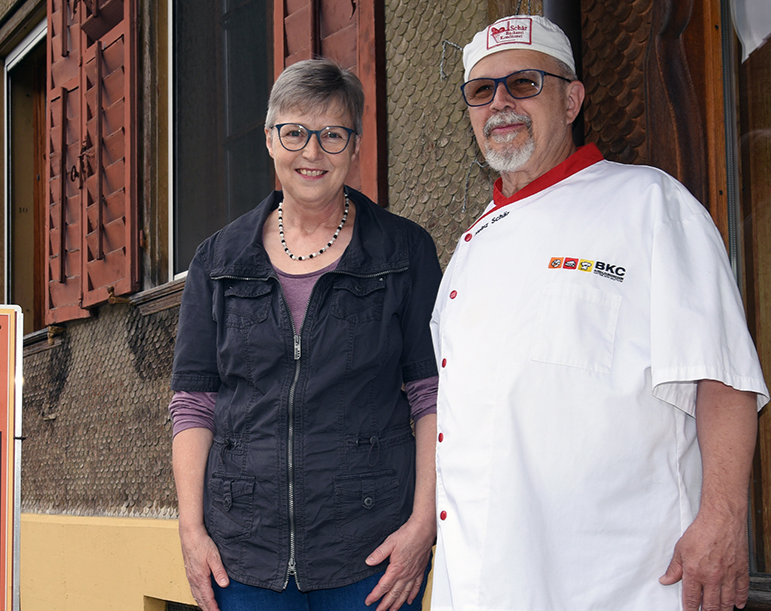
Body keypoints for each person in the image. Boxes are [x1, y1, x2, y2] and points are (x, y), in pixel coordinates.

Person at [430, 14, 770, 611]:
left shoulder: (650, 204)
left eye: (526, 83)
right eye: (482, 91)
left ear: (572, 99)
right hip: (489, 585)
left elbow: (721, 374)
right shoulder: (466, 253)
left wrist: (723, 517)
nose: (501, 103)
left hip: (626, 582)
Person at [170, 58, 441, 611]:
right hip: (243, 555)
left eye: (332, 135)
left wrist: (423, 525)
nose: (311, 153)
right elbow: (194, 402)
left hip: (372, 552)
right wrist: (192, 532)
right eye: (294, 132)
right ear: (270, 140)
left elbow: (431, 395)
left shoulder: (404, 253)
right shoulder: (218, 261)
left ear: (355, 145)